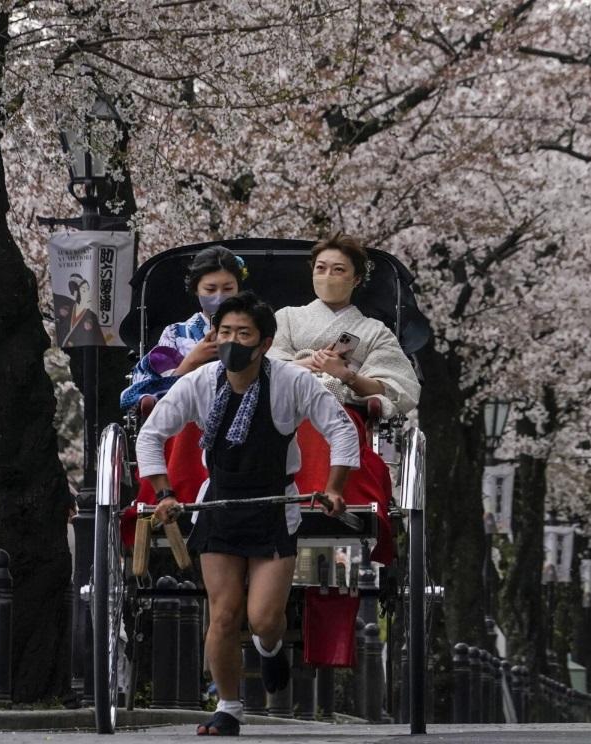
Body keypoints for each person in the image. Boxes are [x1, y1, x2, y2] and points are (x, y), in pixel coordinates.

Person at [136, 291, 360, 737]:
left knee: (262, 617)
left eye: (243, 334)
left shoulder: (291, 381)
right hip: (218, 505)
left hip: (275, 507)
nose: (232, 342)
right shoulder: (198, 383)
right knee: (223, 614)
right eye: (224, 333)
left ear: (263, 343)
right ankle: (228, 707)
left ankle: (270, 647)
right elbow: (150, 435)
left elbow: (339, 426)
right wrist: (163, 492)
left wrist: (334, 487)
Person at [268, 235, 420, 418]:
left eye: (338, 270)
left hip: (347, 416)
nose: (327, 276)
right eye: (320, 268)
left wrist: (346, 375)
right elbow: (268, 370)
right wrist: (312, 364)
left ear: (356, 279)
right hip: (289, 410)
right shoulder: (286, 317)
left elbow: (395, 387)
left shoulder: (376, 332)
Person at [120, 245, 248, 409]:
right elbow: (154, 391)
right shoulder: (175, 333)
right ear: (196, 289)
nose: (219, 296)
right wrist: (192, 360)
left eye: (228, 289)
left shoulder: (254, 330)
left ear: (238, 288)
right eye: (210, 289)